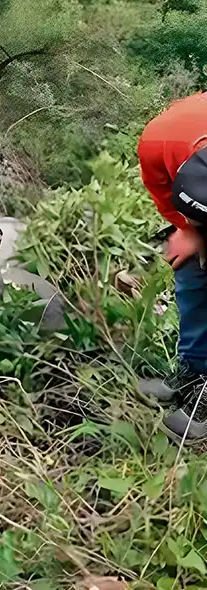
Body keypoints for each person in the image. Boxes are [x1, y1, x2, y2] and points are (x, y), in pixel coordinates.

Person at [137, 92, 207, 442]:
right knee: (191, 264)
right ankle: (193, 373)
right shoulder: (157, 143)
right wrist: (187, 228)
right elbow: (162, 194)